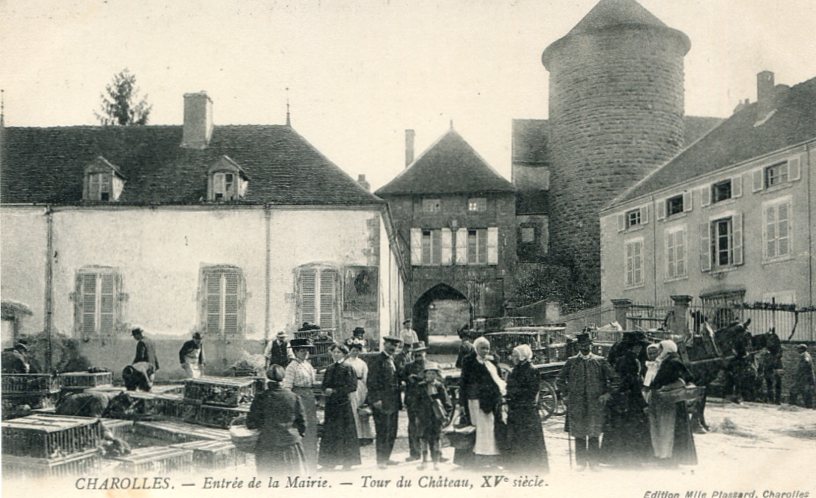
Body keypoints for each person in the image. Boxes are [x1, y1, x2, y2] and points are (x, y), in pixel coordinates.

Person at [556, 332, 618, 470]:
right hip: (577, 404)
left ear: (592, 345)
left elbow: (615, 380)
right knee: (579, 433)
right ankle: (581, 463)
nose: (585, 347)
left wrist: (607, 394)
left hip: (595, 404)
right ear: (578, 345)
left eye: (587, 344)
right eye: (582, 344)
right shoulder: (571, 362)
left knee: (594, 432)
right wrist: (566, 395)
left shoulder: (600, 361)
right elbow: (559, 380)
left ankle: (594, 463)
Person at [601, 333, 651, 466]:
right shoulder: (631, 361)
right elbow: (632, 383)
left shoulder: (623, 359)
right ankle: (631, 459)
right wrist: (643, 403)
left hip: (621, 398)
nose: (641, 348)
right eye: (639, 345)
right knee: (633, 428)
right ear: (634, 347)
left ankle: (617, 458)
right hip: (629, 399)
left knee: (619, 428)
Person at [246, 364, 307, 474]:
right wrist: (298, 435)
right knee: (291, 481)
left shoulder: (261, 397)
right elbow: (302, 424)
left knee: (269, 482)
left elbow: (251, 423)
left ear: (267, 379)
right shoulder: (294, 397)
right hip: (291, 446)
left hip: (268, 446)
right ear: (283, 379)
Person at [648, 339, 697, 467]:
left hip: (668, 400)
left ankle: (666, 457)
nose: (658, 352)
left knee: (666, 429)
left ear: (666, 349)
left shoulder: (671, 362)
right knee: (665, 429)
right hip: (667, 399)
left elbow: (678, 380)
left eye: (660, 349)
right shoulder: (669, 361)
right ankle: (664, 456)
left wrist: (661, 387)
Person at [459, 336, 506, 468]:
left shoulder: (493, 361)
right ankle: (476, 457)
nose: (485, 351)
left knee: (490, 429)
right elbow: (463, 381)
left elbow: (499, 379)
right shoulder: (468, 361)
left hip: (490, 399)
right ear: (476, 348)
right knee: (477, 428)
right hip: (474, 400)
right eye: (482, 348)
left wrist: (500, 396)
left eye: (487, 348)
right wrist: (461, 401)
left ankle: (491, 456)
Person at [505, 344, 548, 472]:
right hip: (515, 410)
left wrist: (513, 393)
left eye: (515, 355)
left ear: (522, 356)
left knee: (529, 440)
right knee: (517, 440)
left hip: (526, 411)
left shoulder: (532, 370)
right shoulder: (515, 370)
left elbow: (531, 391)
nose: (512, 357)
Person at [318, 343, 361, 470]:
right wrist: (325, 390)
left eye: (338, 352)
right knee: (330, 432)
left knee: (345, 432)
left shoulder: (348, 368)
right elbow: (324, 384)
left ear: (344, 354)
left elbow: (352, 386)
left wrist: (335, 391)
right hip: (331, 405)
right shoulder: (330, 368)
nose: (336, 355)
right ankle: (329, 462)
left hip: (343, 404)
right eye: (334, 352)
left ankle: (347, 462)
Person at [367, 335, 403, 469]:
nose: (393, 348)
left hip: (393, 401)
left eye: (396, 345)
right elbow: (371, 382)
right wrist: (375, 399)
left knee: (392, 431)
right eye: (390, 345)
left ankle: (387, 457)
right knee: (382, 431)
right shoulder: (378, 360)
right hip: (382, 402)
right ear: (384, 344)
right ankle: (381, 460)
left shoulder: (393, 360)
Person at [283, 338, 318, 471]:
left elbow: (312, 382)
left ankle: (311, 463)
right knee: (301, 428)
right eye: (302, 351)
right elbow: (287, 387)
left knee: (311, 429)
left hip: (309, 398)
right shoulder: (291, 367)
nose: (305, 353)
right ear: (295, 352)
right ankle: (301, 464)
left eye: (307, 350)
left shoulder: (308, 365)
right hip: (298, 398)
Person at [415, 362, 452, 470]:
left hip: (436, 417)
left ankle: (436, 462)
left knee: (436, 439)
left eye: (433, 373)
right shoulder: (420, 386)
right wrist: (416, 414)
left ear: (436, 375)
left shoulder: (439, 386)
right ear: (425, 374)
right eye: (429, 373)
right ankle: (424, 462)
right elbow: (415, 402)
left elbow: (446, 401)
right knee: (423, 439)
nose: (431, 376)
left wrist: (447, 414)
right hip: (423, 417)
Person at [401, 340, 428, 462]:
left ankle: (434, 452)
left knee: (431, 426)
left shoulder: (430, 365)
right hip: (412, 400)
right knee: (413, 426)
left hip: (427, 400)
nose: (418, 357)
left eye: (420, 354)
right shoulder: (408, 367)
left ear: (424, 353)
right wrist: (408, 378)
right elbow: (400, 378)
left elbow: (439, 380)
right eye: (416, 354)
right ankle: (415, 453)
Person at [344, 341, 374, 445]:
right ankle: (357, 435)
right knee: (353, 410)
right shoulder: (346, 363)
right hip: (351, 386)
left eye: (357, 350)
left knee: (362, 410)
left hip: (361, 386)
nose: (355, 352)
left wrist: (366, 389)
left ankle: (366, 435)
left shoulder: (362, 363)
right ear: (349, 351)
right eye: (353, 350)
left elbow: (365, 376)